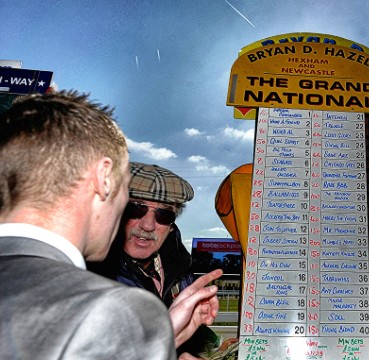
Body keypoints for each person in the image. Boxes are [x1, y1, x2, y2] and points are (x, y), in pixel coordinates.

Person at [0, 91, 221, 359]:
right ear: (104, 178)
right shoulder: (111, 307)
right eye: (132, 205)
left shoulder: (176, 267)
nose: (148, 225)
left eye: (164, 215)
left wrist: (163, 338)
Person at [89, 162, 236, 358]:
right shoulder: (92, 277)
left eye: (163, 214)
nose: (148, 225)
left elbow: (190, 340)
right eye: (136, 208)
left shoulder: (180, 268)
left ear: (172, 223)